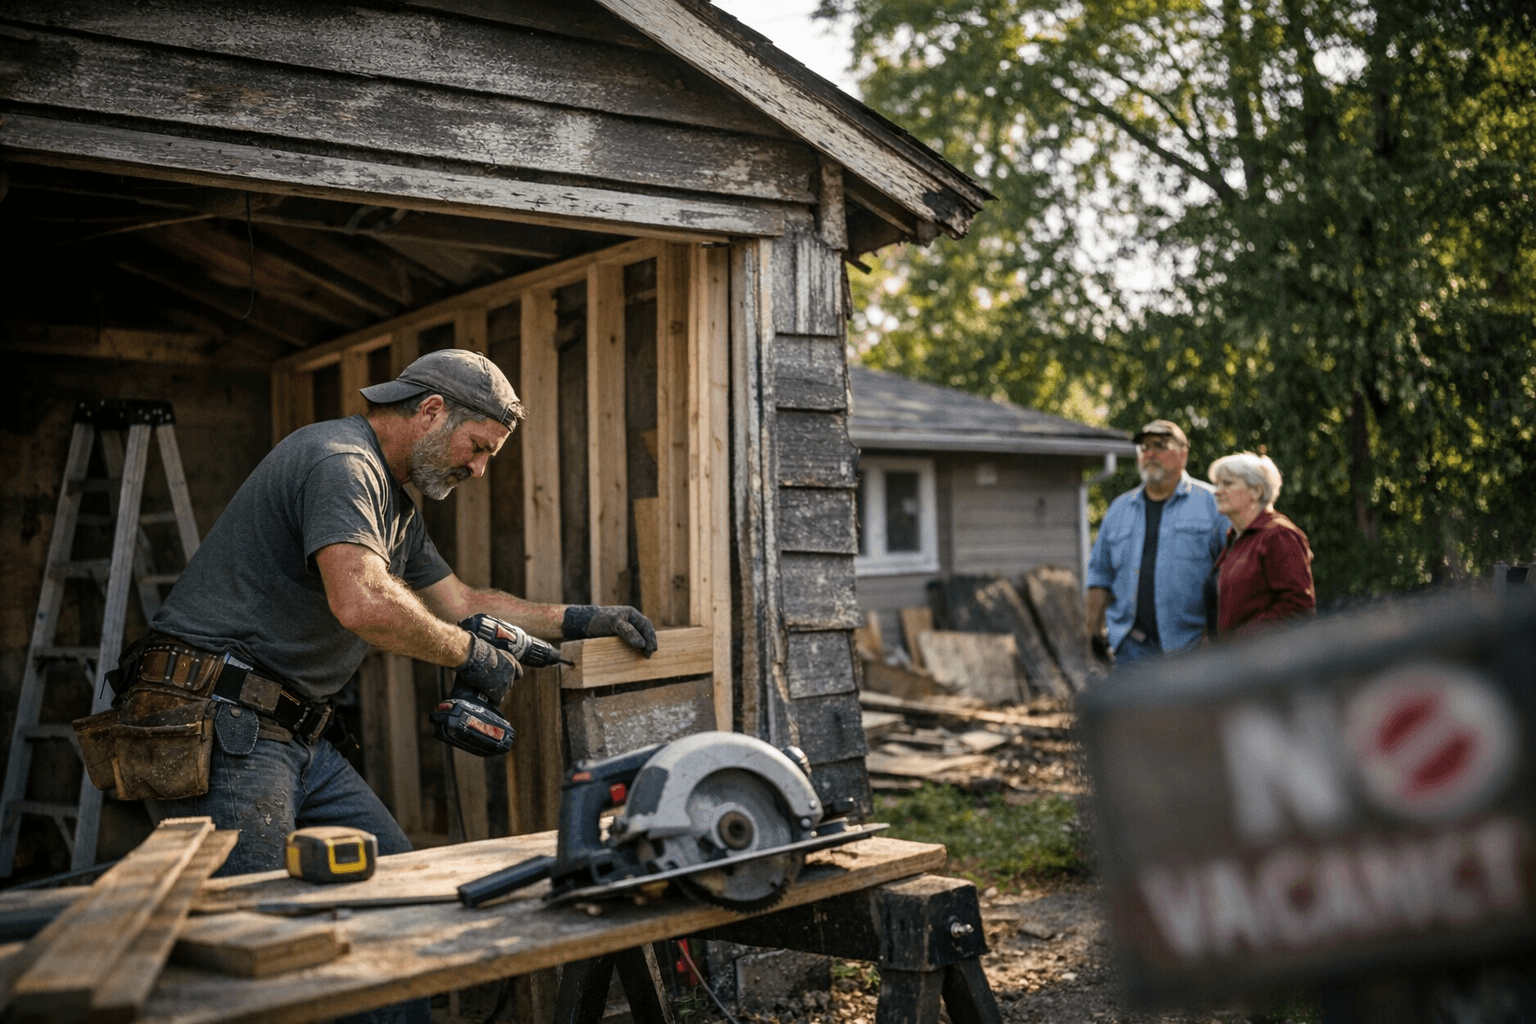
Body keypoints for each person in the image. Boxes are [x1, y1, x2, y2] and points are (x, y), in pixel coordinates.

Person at [108, 348, 658, 876]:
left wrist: (585, 620)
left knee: (394, 870)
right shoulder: (341, 463)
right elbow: (364, 603)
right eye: (479, 446)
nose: (481, 468)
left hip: (285, 730)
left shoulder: (396, 506)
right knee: (258, 921)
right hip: (221, 720)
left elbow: (462, 602)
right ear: (432, 411)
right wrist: (470, 652)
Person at [1086, 420, 1229, 666]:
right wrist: (1091, 634)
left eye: (1160, 445)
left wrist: (1218, 636)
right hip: (1131, 649)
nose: (1150, 454)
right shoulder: (1119, 509)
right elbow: (1099, 575)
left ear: (1183, 454)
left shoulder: (1213, 504)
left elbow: (1233, 572)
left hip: (1194, 648)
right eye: (1144, 448)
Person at [1204, 451, 1315, 636]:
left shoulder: (1279, 534)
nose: (1217, 492)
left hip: (1265, 661)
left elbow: (1298, 608)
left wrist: (1242, 642)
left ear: (1256, 491)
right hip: (1228, 662)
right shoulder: (1234, 537)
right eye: (1216, 485)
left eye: (1228, 483)